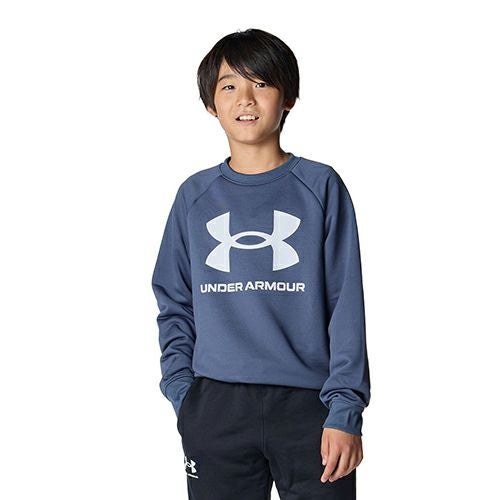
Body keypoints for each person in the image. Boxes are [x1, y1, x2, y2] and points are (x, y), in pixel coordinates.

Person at [151, 28, 371, 500]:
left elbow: (345, 305)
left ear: (287, 97)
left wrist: (345, 411)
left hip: (311, 408)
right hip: (215, 407)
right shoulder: (194, 196)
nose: (245, 99)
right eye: (229, 85)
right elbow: (174, 300)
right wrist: (183, 394)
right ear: (210, 103)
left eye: (262, 83)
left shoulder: (321, 186)